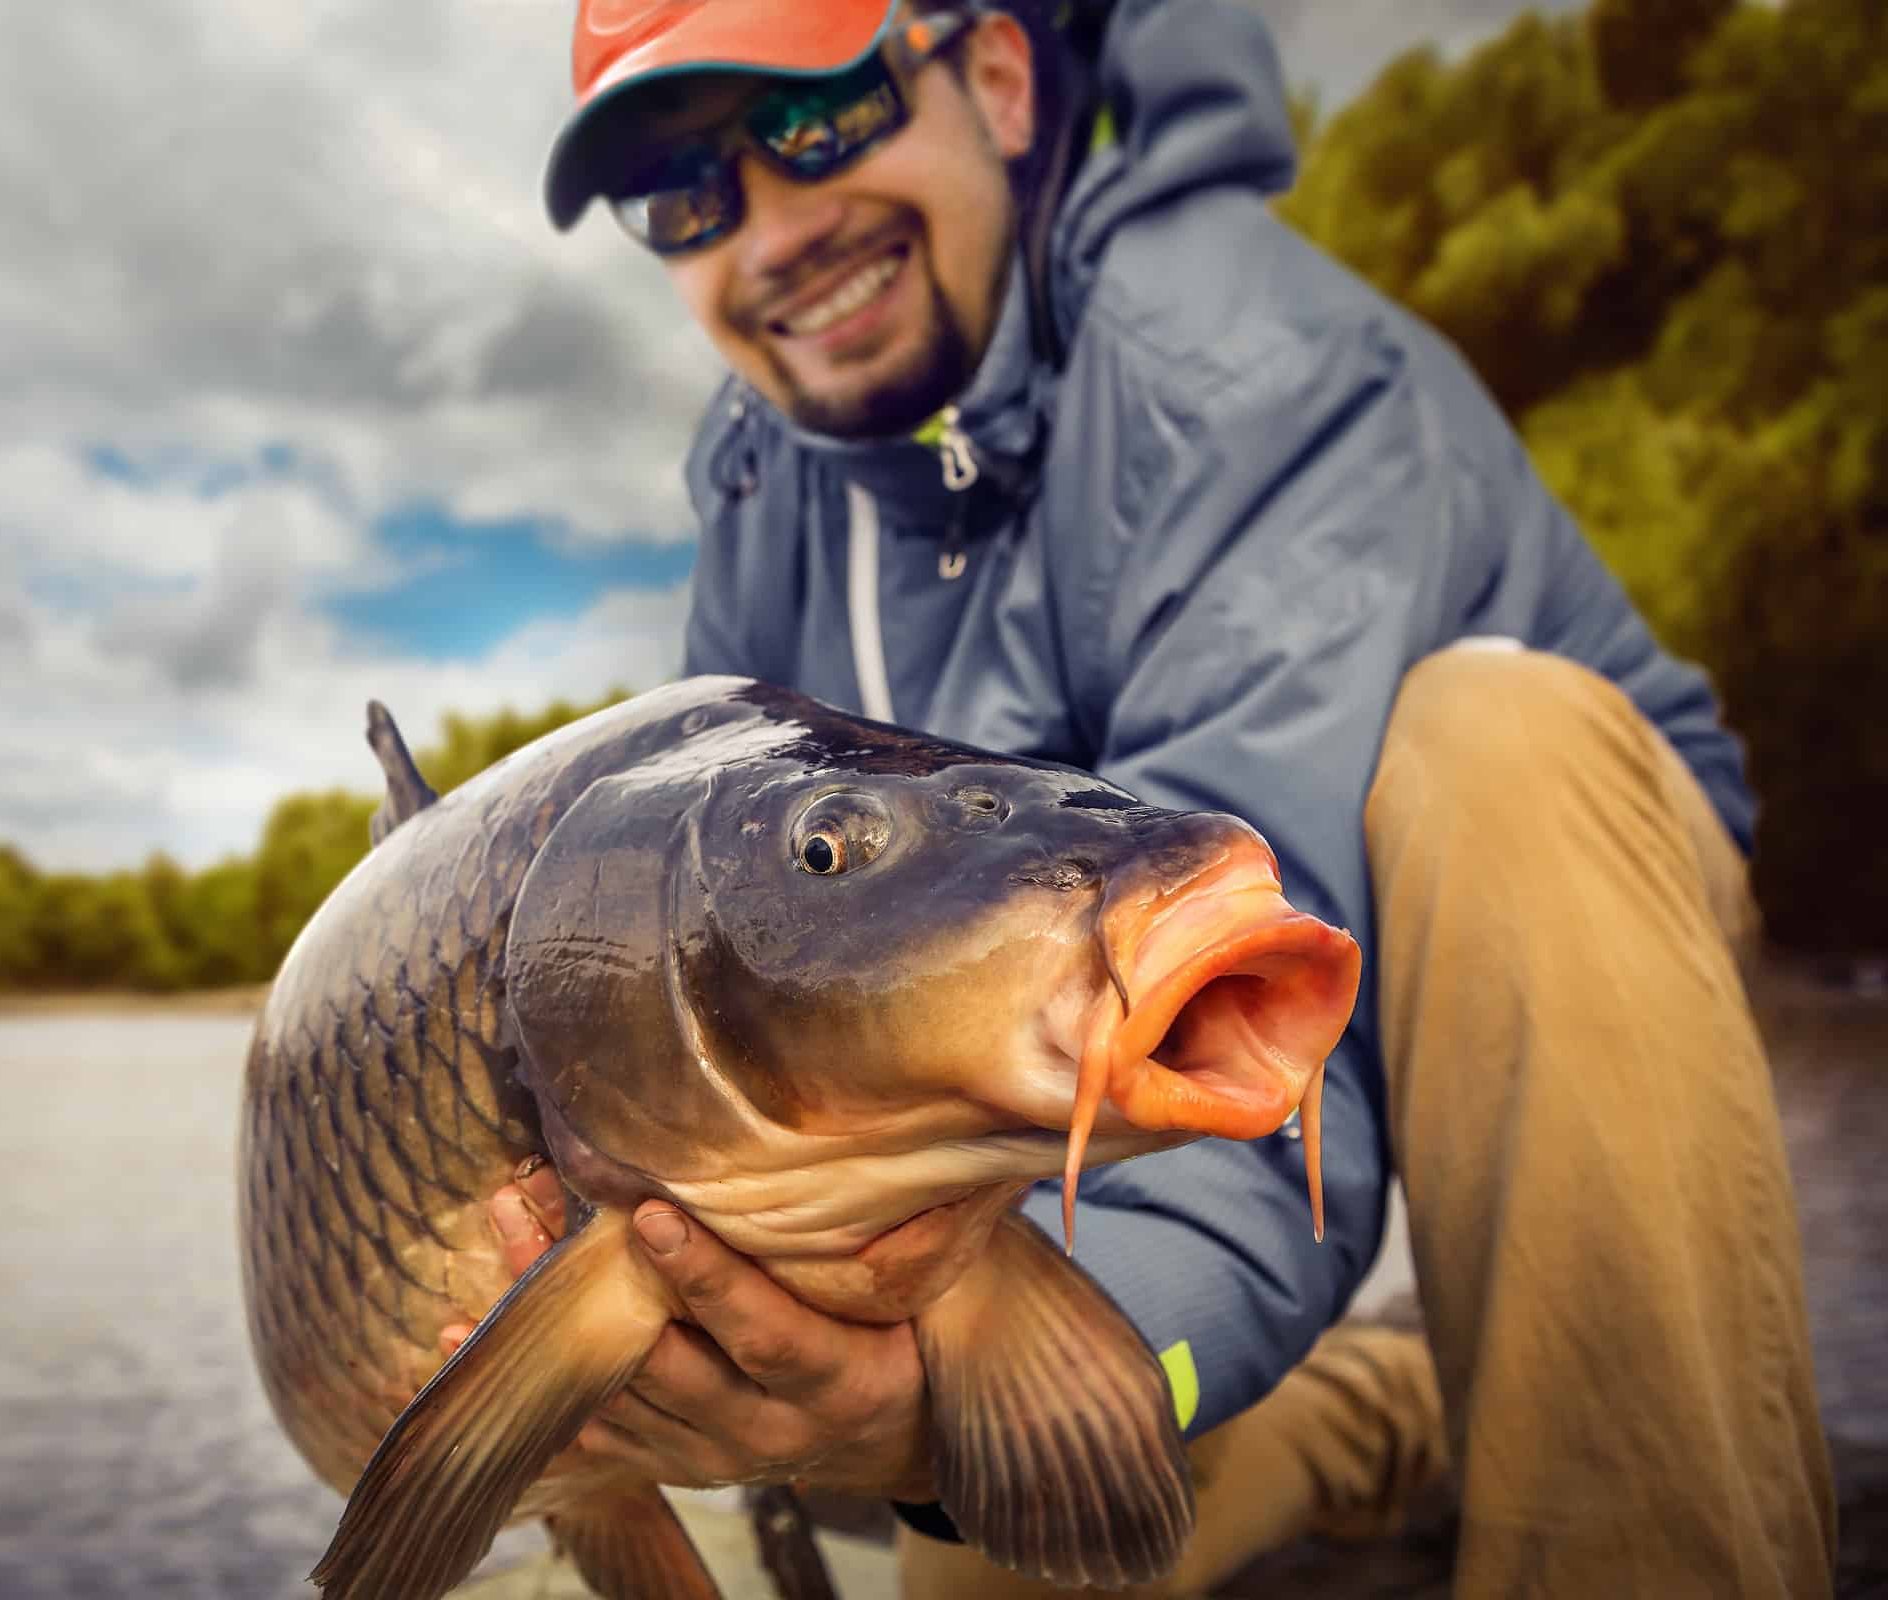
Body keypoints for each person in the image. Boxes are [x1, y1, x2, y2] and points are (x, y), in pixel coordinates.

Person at [464, 0, 1839, 1594]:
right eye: (682, 191)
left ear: (988, 76)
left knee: (1494, 743)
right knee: (991, 1529)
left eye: (819, 115)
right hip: (1083, 990)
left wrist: (994, 1375)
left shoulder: (1241, 357)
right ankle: (1381, 1410)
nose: (771, 229)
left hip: (1542, 908)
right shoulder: (762, 485)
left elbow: (1210, 1005)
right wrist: (886, 1398)